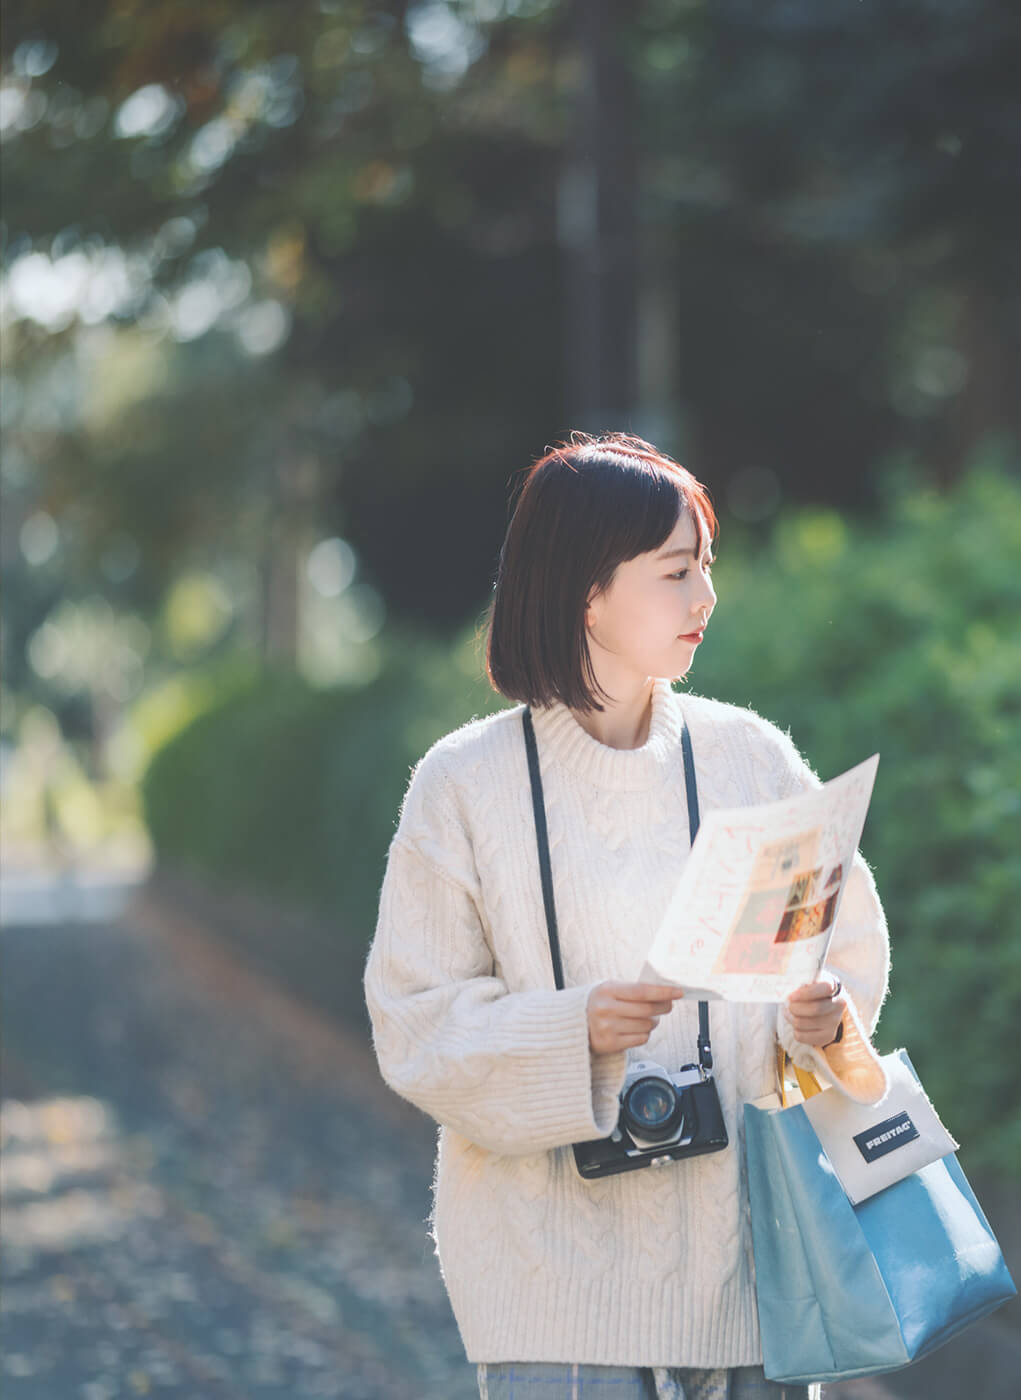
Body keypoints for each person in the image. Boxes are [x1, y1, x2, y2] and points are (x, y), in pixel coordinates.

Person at [363, 432, 889, 1400]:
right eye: (676, 571)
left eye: (707, 568)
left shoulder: (751, 759)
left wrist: (818, 1021)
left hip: (755, 1284)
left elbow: (836, 945)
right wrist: (575, 1031)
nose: (706, 598)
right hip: (551, 1295)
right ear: (585, 590)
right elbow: (413, 1022)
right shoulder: (463, 787)